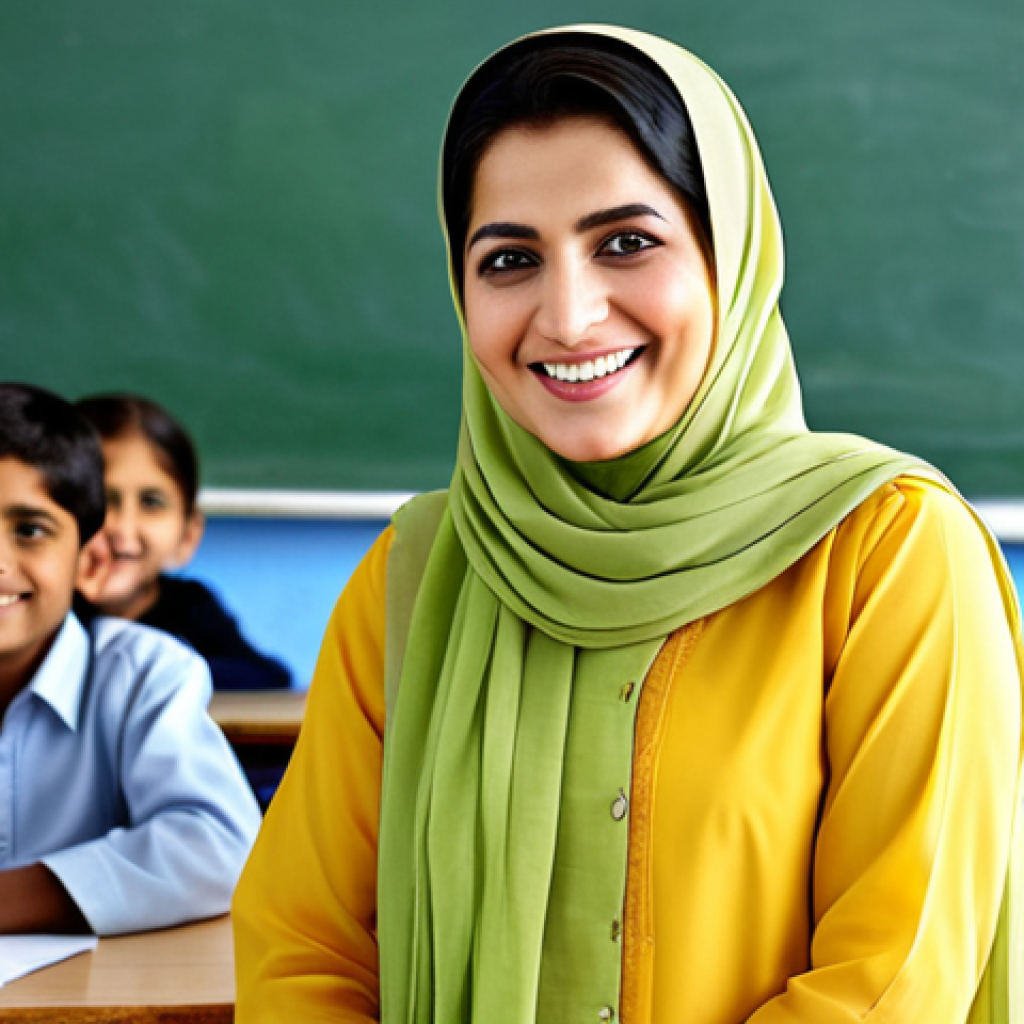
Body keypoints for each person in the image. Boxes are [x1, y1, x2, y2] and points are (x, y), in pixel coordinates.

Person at [232, 25, 1023, 1023]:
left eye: (626, 243)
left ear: (726, 258)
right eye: (509, 258)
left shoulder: (886, 550)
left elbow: (892, 978)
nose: (566, 315)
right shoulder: (420, 572)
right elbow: (302, 943)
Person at [0, 382, 261, 936]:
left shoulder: (145, 672)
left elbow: (219, 847)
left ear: (85, 549)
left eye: (30, 530)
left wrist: (12, 899)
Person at [74, 393, 291, 690]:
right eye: (102, 500)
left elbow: (269, 677)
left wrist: (165, 671)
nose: (122, 528)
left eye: (151, 502)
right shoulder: (44, 605)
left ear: (188, 535)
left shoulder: (190, 606)